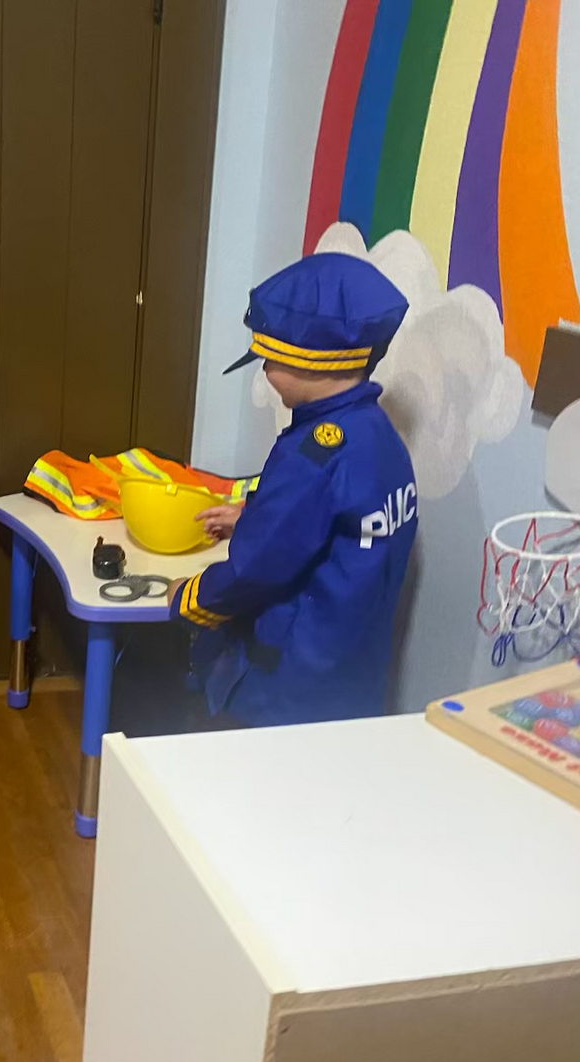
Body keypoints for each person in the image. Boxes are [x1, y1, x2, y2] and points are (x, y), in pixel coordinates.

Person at [171, 252, 417, 727]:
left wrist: (189, 598)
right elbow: (331, 524)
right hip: (349, 678)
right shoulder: (379, 436)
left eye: (269, 359)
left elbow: (254, 569)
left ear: (311, 361)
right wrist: (254, 515)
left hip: (286, 688)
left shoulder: (312, 454)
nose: (264, 372)